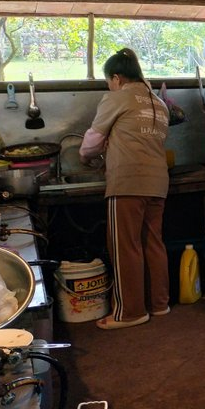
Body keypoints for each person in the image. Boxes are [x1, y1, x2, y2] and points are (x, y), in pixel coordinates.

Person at [80, 48, 170, 330]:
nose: (110, 85)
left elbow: (94, 138)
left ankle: (130, 312)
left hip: (128, 180)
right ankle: (159, 304)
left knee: (124, 247)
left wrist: (84, 156)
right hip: (157, 181)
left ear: (117, 78)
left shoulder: (117, 97)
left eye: (109, 81)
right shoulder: (158, 102)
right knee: (152, 242)